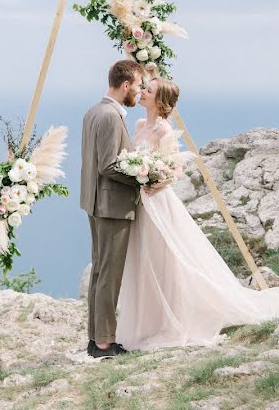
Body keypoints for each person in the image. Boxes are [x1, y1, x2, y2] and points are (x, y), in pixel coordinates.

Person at [115, 76, 279, 351]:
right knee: (144, 259)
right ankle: (149, 320)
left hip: (158, 202)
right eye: (144, 88)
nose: (143, 92)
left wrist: (153, 181)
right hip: (141, 203)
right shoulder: (138, 125)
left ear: (159, 102)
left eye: (148, 90)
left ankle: (174, 318)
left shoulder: (164, 132)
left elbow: (174, 170)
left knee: (166, 259)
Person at [80, 59, 161, 358]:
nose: (138, 91)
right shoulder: (111, 116)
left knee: (101, 272)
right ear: (125, 85)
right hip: (111, 204)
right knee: (109, 274)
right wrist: (143, 175)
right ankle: (104, 344)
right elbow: (108, 164)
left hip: (94, 201)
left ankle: (96, 338)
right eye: (138, 85)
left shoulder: (93, 111)